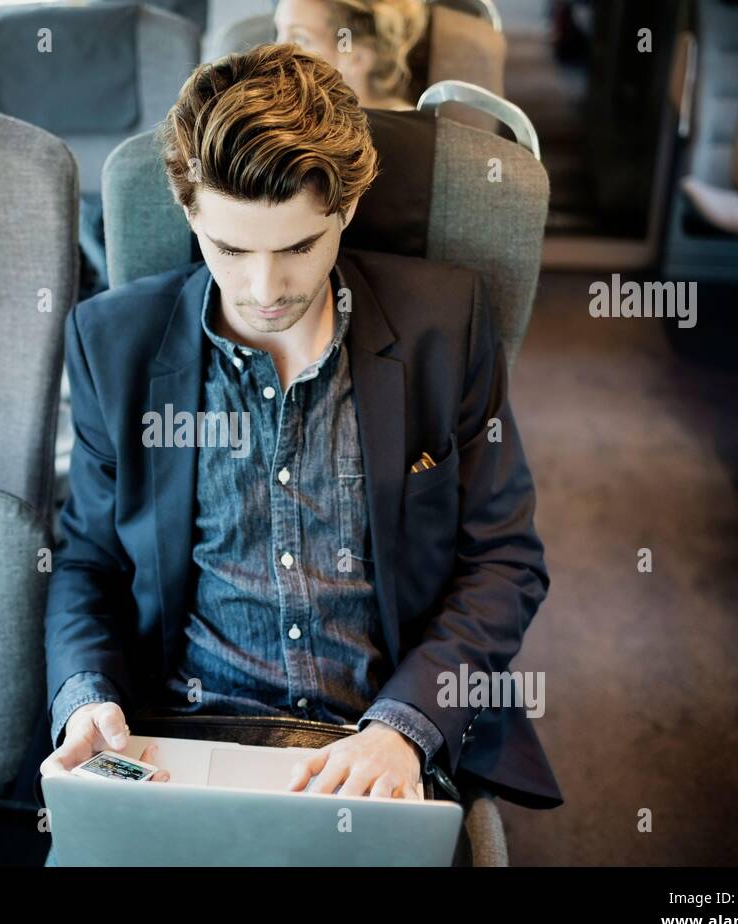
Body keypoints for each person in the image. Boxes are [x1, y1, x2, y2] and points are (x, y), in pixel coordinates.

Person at [39, 43, 560, 822]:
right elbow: (86, 562)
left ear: (347, 207)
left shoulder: (443, 328)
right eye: (230, 248)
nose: (264, 289)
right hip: (182, 740)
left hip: (374, 736)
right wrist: (85, 698)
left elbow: (504, 561)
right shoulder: (113, 344)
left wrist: (403, 729)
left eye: (298, 247)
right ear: (188, 213)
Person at [273, 0, 429, 110]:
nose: (276, 52)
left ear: (358, 58)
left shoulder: (394, 138)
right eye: (278, 32)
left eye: (299, 38)